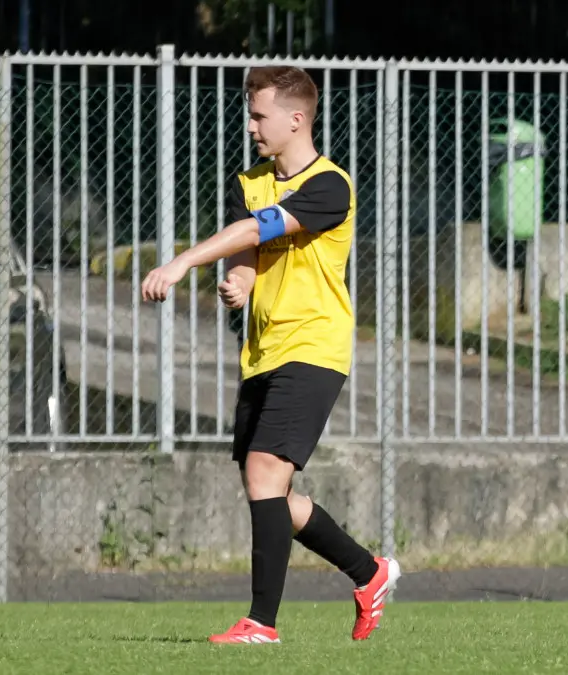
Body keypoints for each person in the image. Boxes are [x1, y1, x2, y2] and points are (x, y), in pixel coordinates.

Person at [141, 65, 400, 645]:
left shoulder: (331, 185)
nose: (252, 126)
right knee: (272, 491)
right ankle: (369, 571)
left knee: (264, 472)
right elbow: (248, 250)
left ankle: (261, 623)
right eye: (252, 114)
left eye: (260, 116)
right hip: (262, 352)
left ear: (296, 119)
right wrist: (238, 282)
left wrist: (184, 261)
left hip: (313, 346)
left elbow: (261, 229)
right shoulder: (251, 180)